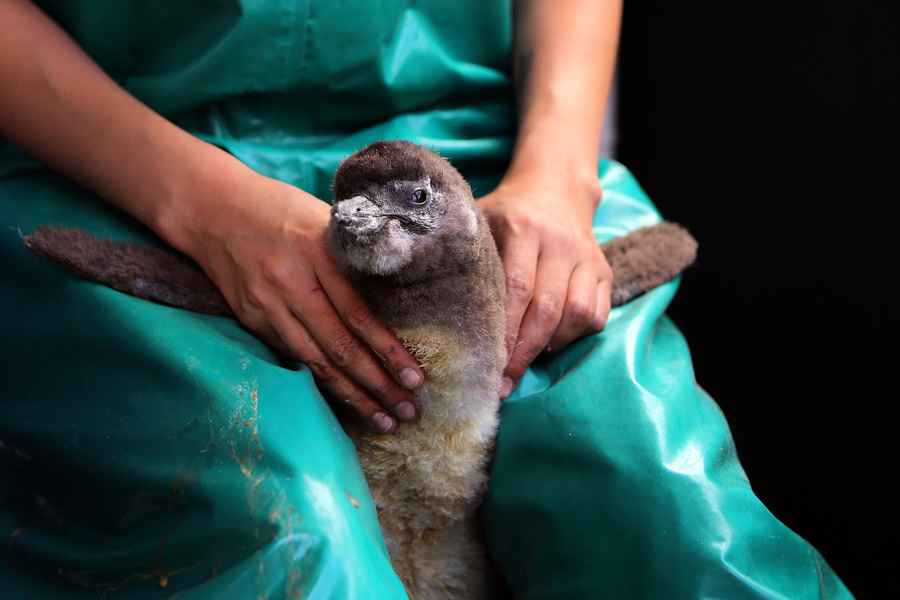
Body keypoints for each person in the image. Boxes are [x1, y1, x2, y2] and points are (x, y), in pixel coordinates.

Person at [0, 1, 850, 598]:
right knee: (294, 527)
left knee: (655, 491)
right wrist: (202, 207)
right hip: (111, 161)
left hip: (476, 150)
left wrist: (558, 175)